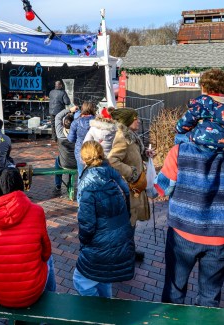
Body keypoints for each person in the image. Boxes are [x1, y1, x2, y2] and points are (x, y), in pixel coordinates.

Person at [154, 139, 224, 307]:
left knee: (174, 291)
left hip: (182, 234)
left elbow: (162, 188)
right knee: (209, 297)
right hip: (219, 238)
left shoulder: (179, 151)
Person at [0, 168, 55, 308]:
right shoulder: (37, 211)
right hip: (31, 292)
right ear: (20, 184)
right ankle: (50, 299)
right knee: (49, 258)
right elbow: (46, 252)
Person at [74, 141, 135, 298]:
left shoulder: (88, 185)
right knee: (103, 279)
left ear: (83, 159)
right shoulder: (110, 172)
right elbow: (127, 193)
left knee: (80, 281)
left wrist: (84, 243)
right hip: (120, 237)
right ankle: (107, 306)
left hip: (100, 244)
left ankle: (96, 313)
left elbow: (87, 225)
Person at [107, 108, 153, 261]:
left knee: (131, 221)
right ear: (128, 121)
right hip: (128, 188)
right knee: (127, 221)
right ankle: (124, 254)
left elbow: (132, 155)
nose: (139, 121)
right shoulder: (122, 137)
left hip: (134, 186)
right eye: (136, 119)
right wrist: (131, 172)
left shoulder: (132, 136)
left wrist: (144, 154)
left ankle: (129, 251)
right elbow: (112, 160)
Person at [176, 69, 224, 152]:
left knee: (178, 137)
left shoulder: (202, 102)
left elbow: (182, 127)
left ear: (203, 86)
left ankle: (184, 161)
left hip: (203, 146)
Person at [68, 101, 96, 177]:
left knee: (81, 175)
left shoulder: (76, 122)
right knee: (94, 175)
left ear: (82, 109)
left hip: (80, 150)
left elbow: (70, 139)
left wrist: (78, 140)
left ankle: (81, 188)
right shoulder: (97, 121)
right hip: (94, 151)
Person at [54, 108, 77, 193]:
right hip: (76, 163)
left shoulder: (60, 133)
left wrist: (69, 110)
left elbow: (58, 117)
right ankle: (70, 183)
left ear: (64, 124)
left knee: (57, 160)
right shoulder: (78, 134)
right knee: (73, 158)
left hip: (63, 163)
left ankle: (58, 184)